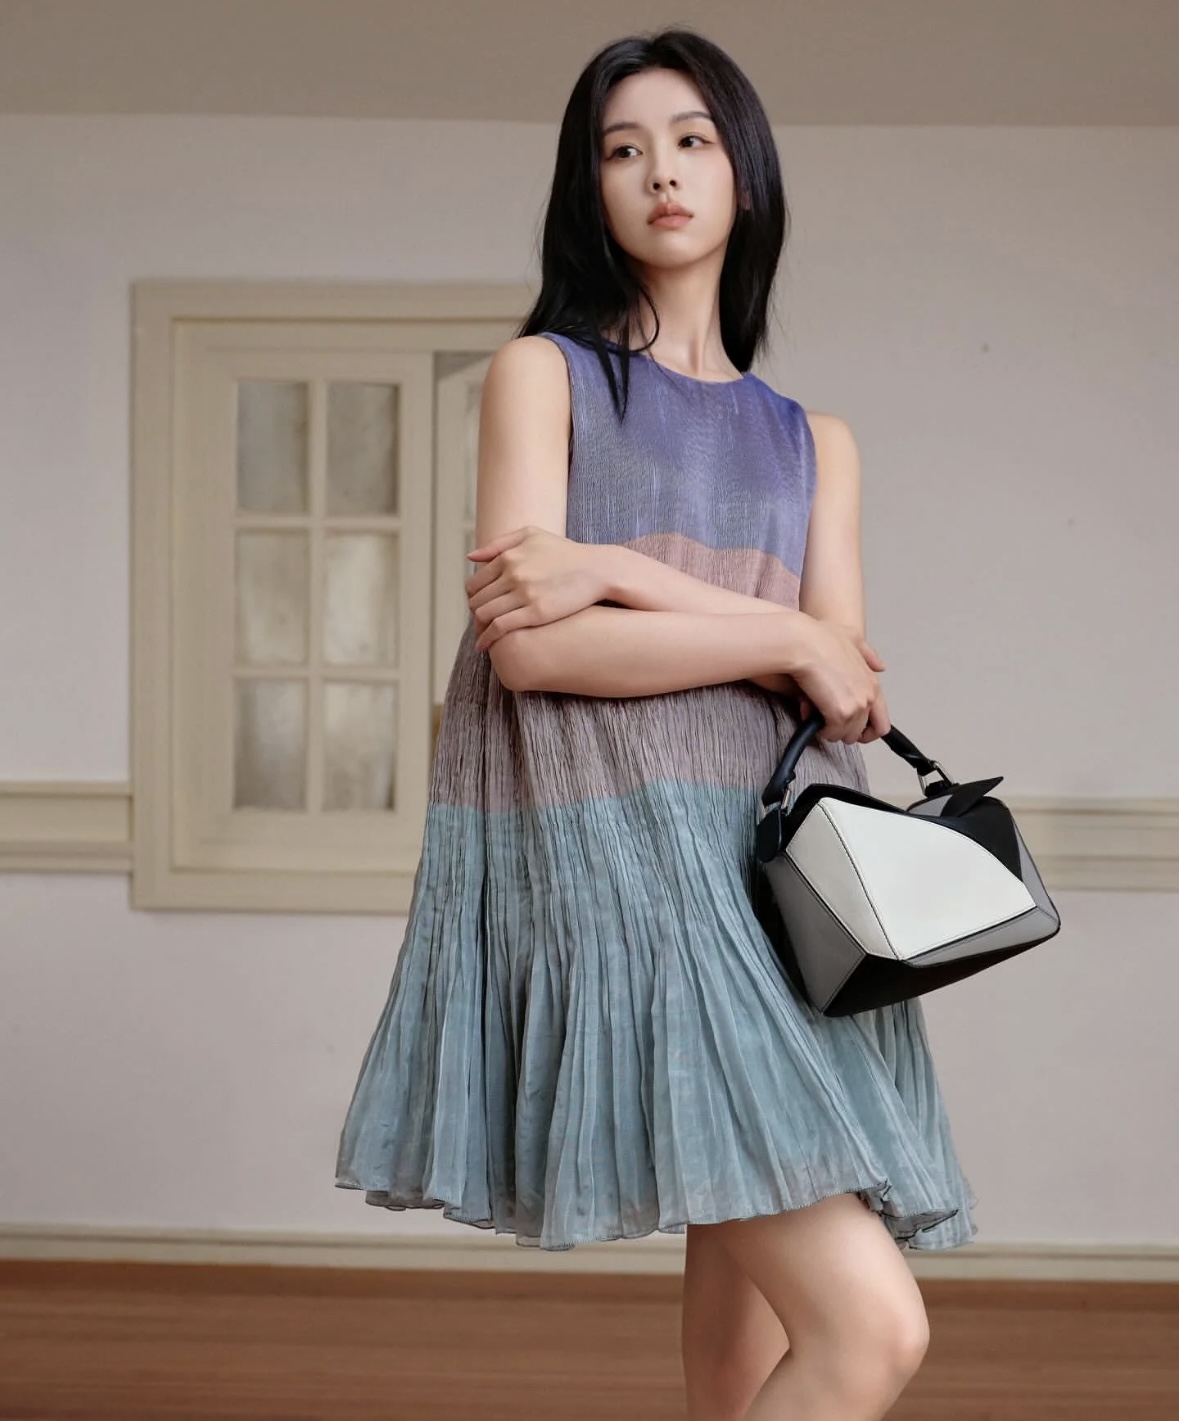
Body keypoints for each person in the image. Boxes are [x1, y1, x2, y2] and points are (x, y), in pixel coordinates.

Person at [336, 27, 976, 1421]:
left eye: (691, 141)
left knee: (733, 1358)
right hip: (627, 861)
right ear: (590, 188)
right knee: (871, 1331)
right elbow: (531, 647)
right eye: (621, 150)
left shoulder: (815, 441)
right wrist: (779, 633)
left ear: (746, 173)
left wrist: (621, 572)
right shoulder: (545, 375)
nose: (660, 173)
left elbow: (849, 688)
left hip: (778, 884)